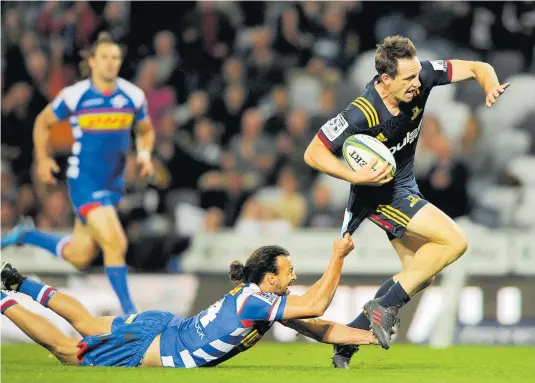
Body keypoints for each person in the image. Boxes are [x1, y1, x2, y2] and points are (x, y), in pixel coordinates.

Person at [303, 35, 510, 368]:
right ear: (385, 79)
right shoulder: (361, 112)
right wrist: (354, 175)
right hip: (381, 193)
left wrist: (490, 84)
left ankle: (350, 339)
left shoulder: (421, 74)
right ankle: (384, 308)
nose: (418, 83)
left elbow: (476, 66)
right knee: (456, 241)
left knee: (419, 272)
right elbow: (312, 152)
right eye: (408, 79)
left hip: (405, 184)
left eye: (417, 75)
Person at [0, 234, 395, 368]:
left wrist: (372, 337)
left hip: (161, 325)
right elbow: (317, 306)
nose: (293, 276)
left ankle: (20, 283)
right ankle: (4, 297)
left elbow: (320, 328)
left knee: (87, 324)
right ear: (269, 277)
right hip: (159, 344)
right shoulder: (255, 302)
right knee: (68, 352)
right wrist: (338, 257)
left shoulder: (261, 302)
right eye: (288, 271)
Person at [1, 33, 155, 315]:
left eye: (116, 58)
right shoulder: (76, 95)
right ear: (93, 62)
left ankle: (27, 235)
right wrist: (43, 158)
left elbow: (145, 129)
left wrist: (144, 154)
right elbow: (43, 122)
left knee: (80, 255)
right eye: (105, 58)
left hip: (113, 184)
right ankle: (131, 314)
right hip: (84, 181)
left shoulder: (132, 95)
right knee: (116, 242)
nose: (111, 63)